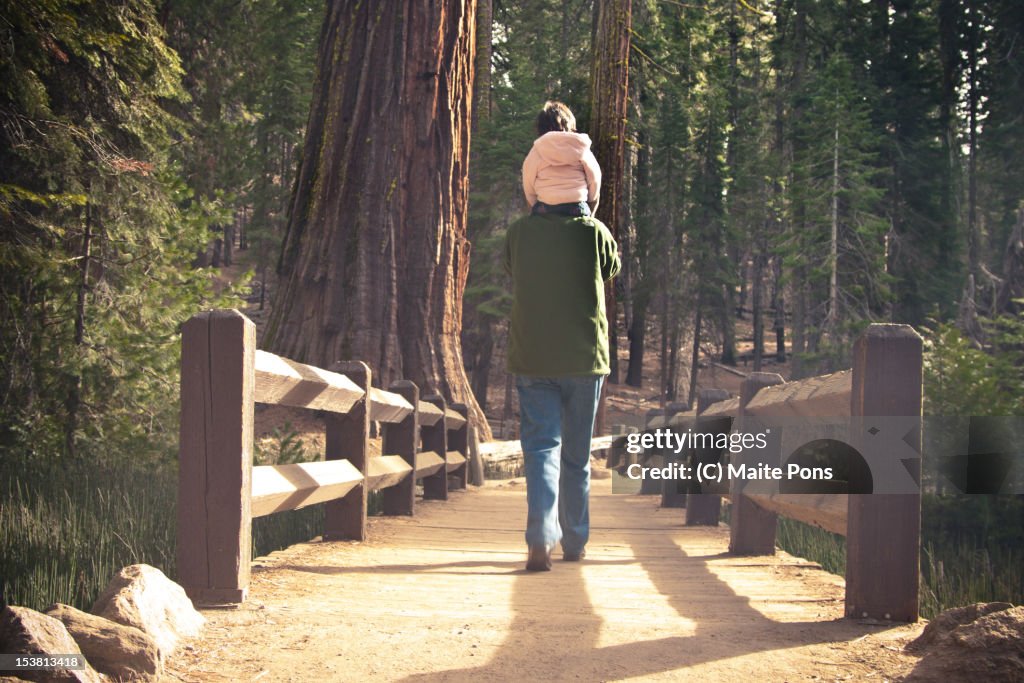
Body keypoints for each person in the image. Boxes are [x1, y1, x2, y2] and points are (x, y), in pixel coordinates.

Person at [505, 102, 621, 571]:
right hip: (583, 357)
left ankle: (539, 536)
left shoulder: (519, 234)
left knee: (540, 449)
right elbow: (610, 270)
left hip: (533, 355)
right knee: (576, 453)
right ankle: (574, 541)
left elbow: (514, 272)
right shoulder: (594, 233)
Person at [522, 101, 602, 217]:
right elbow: (594, 179)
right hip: (577, 207)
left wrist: (534, 203)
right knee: (595, 198)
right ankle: (589, 223)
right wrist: (590, 201)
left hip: (545, 207)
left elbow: (528, 184)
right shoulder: (580, 146)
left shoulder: (537, 150)